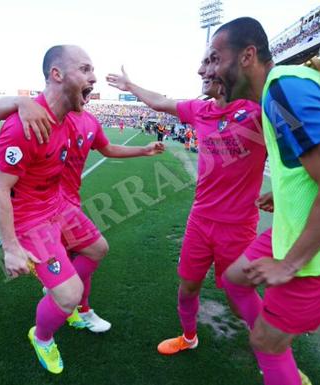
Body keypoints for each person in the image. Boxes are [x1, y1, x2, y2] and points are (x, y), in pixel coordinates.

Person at [209, 17, 320, 385]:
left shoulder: (283, 94)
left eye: (213, 58)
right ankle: (276, 339)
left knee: (266, 343)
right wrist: (287, 193)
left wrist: (288, 265)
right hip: (307, 229)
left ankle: (275, 349)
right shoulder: (286, 88)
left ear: (247, 56)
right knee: (235, 279)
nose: (204, 69)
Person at [0, 45, 163, 374]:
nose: (93, 77)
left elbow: (104, 147)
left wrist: (142, 149)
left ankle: (64, 297)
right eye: (85, 69)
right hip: (31, 220)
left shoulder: (70, 120)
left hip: (58, 207)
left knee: (98, 249)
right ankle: (42, 336)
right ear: (57, 74)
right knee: (69, 294)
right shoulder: (22, 126)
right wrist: (11, 248)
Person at [106, 51, 267, 355]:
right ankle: (189, 337)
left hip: (238, 226)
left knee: (239, 299)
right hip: (200, 221)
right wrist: (131, 86)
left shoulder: (258, 111)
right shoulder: (199, 110)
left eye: (210, 63)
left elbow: (298, 150)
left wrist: (281, 193)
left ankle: (275, 359)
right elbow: (160, 101)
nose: (201, 70)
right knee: (187, 287)